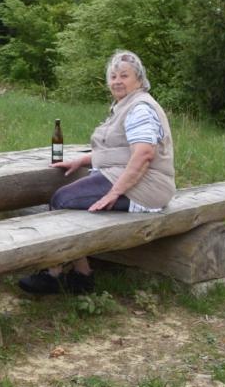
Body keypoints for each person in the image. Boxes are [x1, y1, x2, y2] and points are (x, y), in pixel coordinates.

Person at [18, 50, 174, 295]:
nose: (117, 81)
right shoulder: (125, 105)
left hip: (146, 188)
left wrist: (114, 193)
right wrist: (81, 160)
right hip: (129, 178)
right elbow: (120, 150)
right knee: (67, 196)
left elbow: (144, 154)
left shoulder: (140, 108)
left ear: (139, 80)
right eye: (113, 76)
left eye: (124, 75)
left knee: (62, 200)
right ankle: (82, 274)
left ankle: (54, 273)